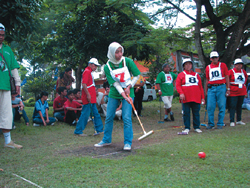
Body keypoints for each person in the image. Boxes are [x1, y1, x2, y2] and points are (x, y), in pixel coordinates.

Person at [94, 42, 141, 151]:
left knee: (126, 117)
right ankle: (106, 140)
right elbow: (115, 84)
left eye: (121, 51)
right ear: (111, 53)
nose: (120, 54)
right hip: (115, 92)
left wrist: (129, 86)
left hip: (129, 91)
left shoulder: (127, 61)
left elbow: (137, 75)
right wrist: (123, 94)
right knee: (109, 116)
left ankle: (128, 142)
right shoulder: (107, 67)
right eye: (117, 52)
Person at [0, 23, 23, 149]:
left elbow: (14, 68)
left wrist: (18, 83)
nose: (1, 37)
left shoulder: (7, 50)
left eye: (3, 35)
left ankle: (8, 141)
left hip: (6, 86)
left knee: (6, 113)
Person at [74, 58, 104, 136]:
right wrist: (88, 95)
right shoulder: (87, 72)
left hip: (91, 98)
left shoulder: (89, 72)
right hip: (88, 98)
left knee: (95, 113)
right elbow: (84, 84)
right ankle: (78, 130)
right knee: (85, 114)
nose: (95, 67)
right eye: (95, 65)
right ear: (90, 64)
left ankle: (99, 129)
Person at [176, 58, 205, 133]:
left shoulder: (196, 75)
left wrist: (203, 98)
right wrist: (181, 93)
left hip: (196, 97)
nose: (188, 66)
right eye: (186, 64)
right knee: (186, 112)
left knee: (196, 112)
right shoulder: (181, 75)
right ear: (184, 66)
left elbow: (200, 87)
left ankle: (196, 127)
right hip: (186, 97)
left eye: (189, 64)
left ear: (192, 65)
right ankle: (187, 127)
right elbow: (178, 85)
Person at [205, 51, 230, 129]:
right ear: (210, 59)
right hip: (211, 88)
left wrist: (228, 88)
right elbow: (207, 79)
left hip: (221, 87)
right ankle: (211, 123)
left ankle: (220, 123)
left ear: (218, 58)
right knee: (210, 106)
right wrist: (205, 91)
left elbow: (226, 77)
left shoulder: (223, 65)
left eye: (216, 57)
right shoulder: (208, 67)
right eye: (213, 58)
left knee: (222, 105)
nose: (214, 59)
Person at [228, 58, 248, 126]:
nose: (239, 66)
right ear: (234, 65)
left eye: (240, 64)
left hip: (241, 90)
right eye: (237, 64)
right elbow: (227, 80)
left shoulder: (243, 72)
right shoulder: (231, 71)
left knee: (239, 105)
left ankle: (239, 119)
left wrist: (245, 91)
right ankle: (232, 120)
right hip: (233, 91)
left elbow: (245, 80)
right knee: (233, 106)